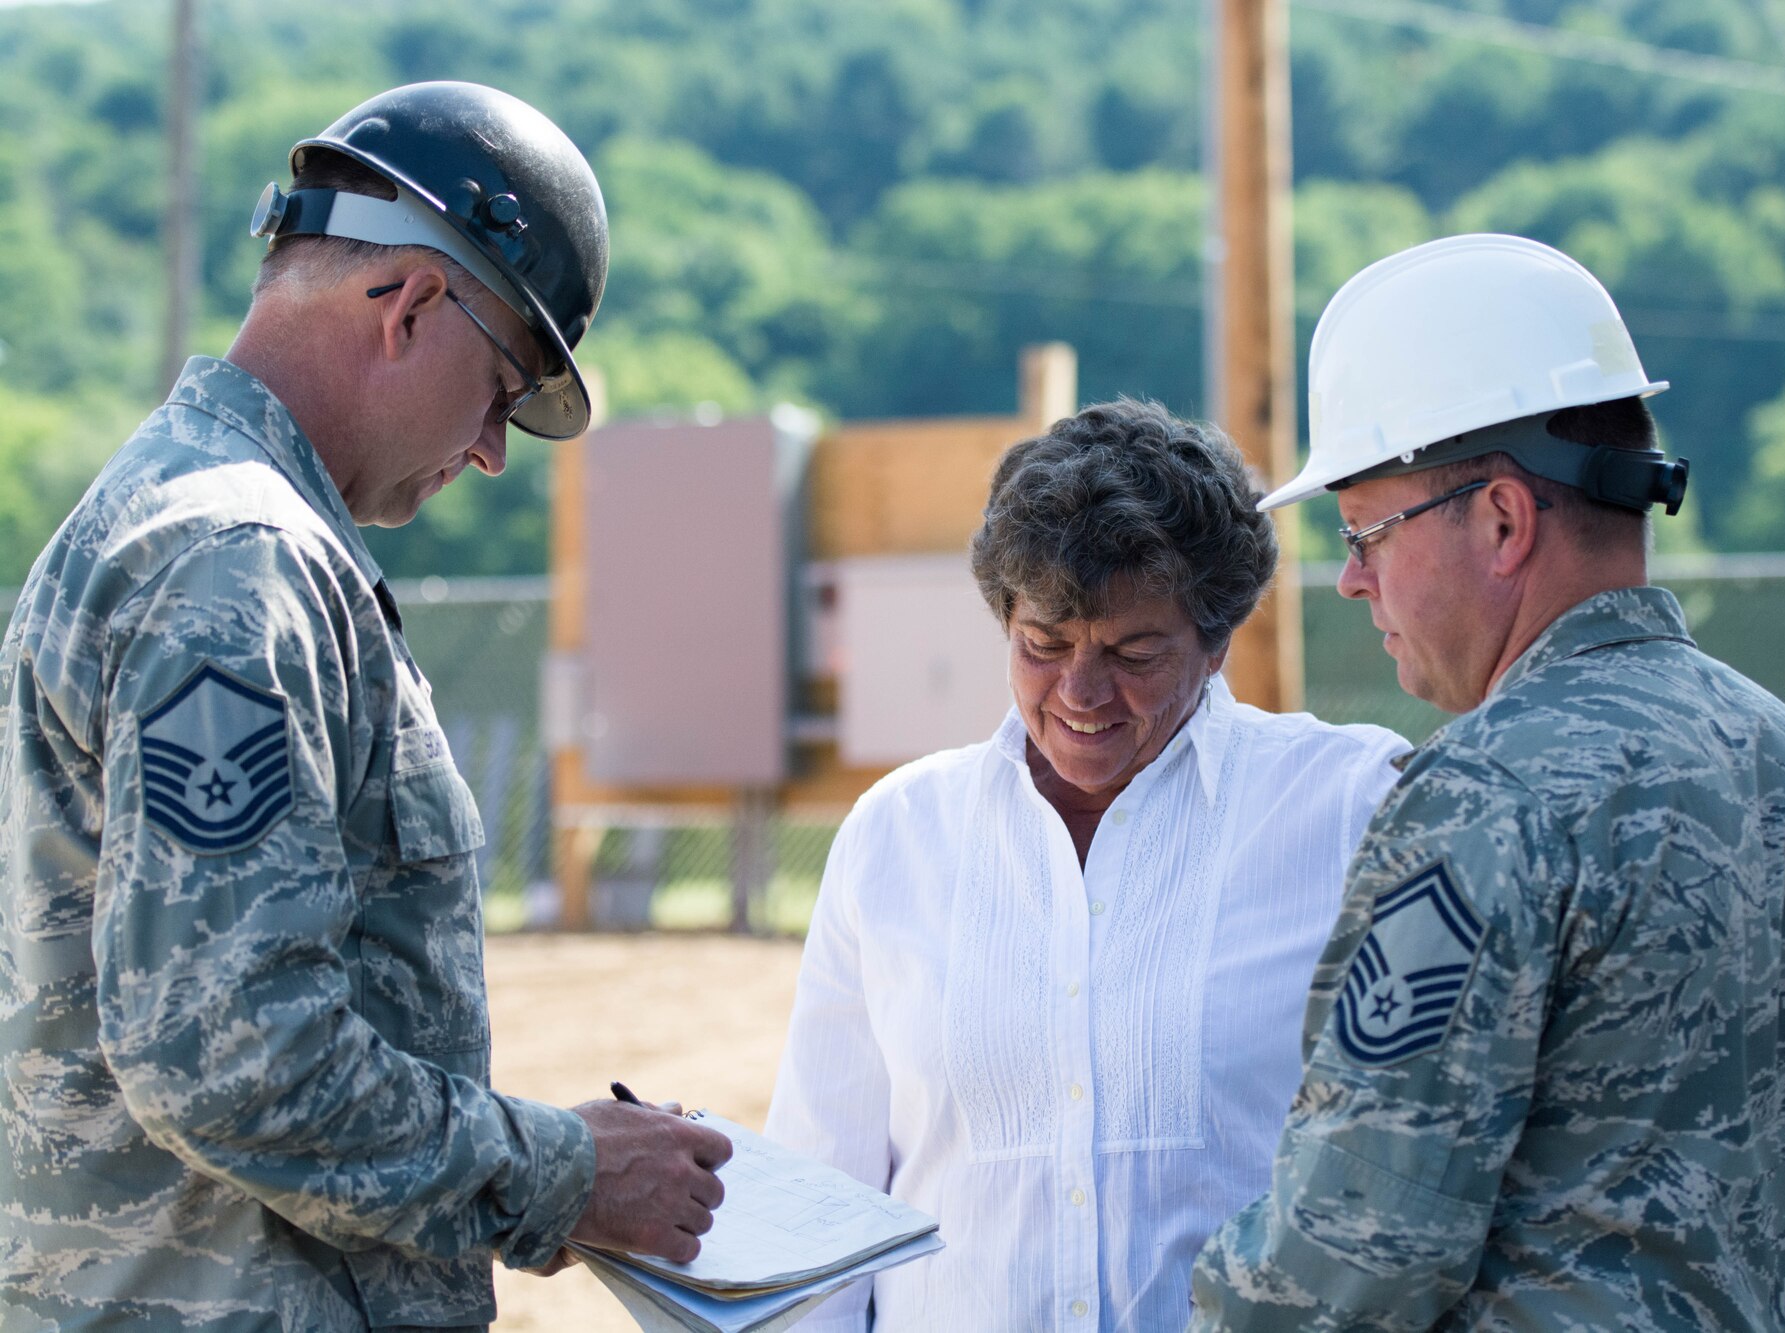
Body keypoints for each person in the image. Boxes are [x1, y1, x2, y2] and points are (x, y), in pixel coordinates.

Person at [0, 82, 730, 1332]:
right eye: (503, 391)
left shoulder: (190, 519)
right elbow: (229, 1056)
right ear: (409, 307)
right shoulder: (240, 560)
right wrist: (568, 1174)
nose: (493, 449)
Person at [1189, 233, 1785, 1331]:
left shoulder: (1479, 797)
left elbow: (1354, 1250)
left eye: (1364, 530)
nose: (1350, 578)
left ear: (1500, 519)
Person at [763, 398, 1408, 1331]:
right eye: (1043, 644)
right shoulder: (896, 836)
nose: (1080, 692)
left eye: (1134, 650)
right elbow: (824, 1206)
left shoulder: (1349, 809)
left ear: (1218, 640)